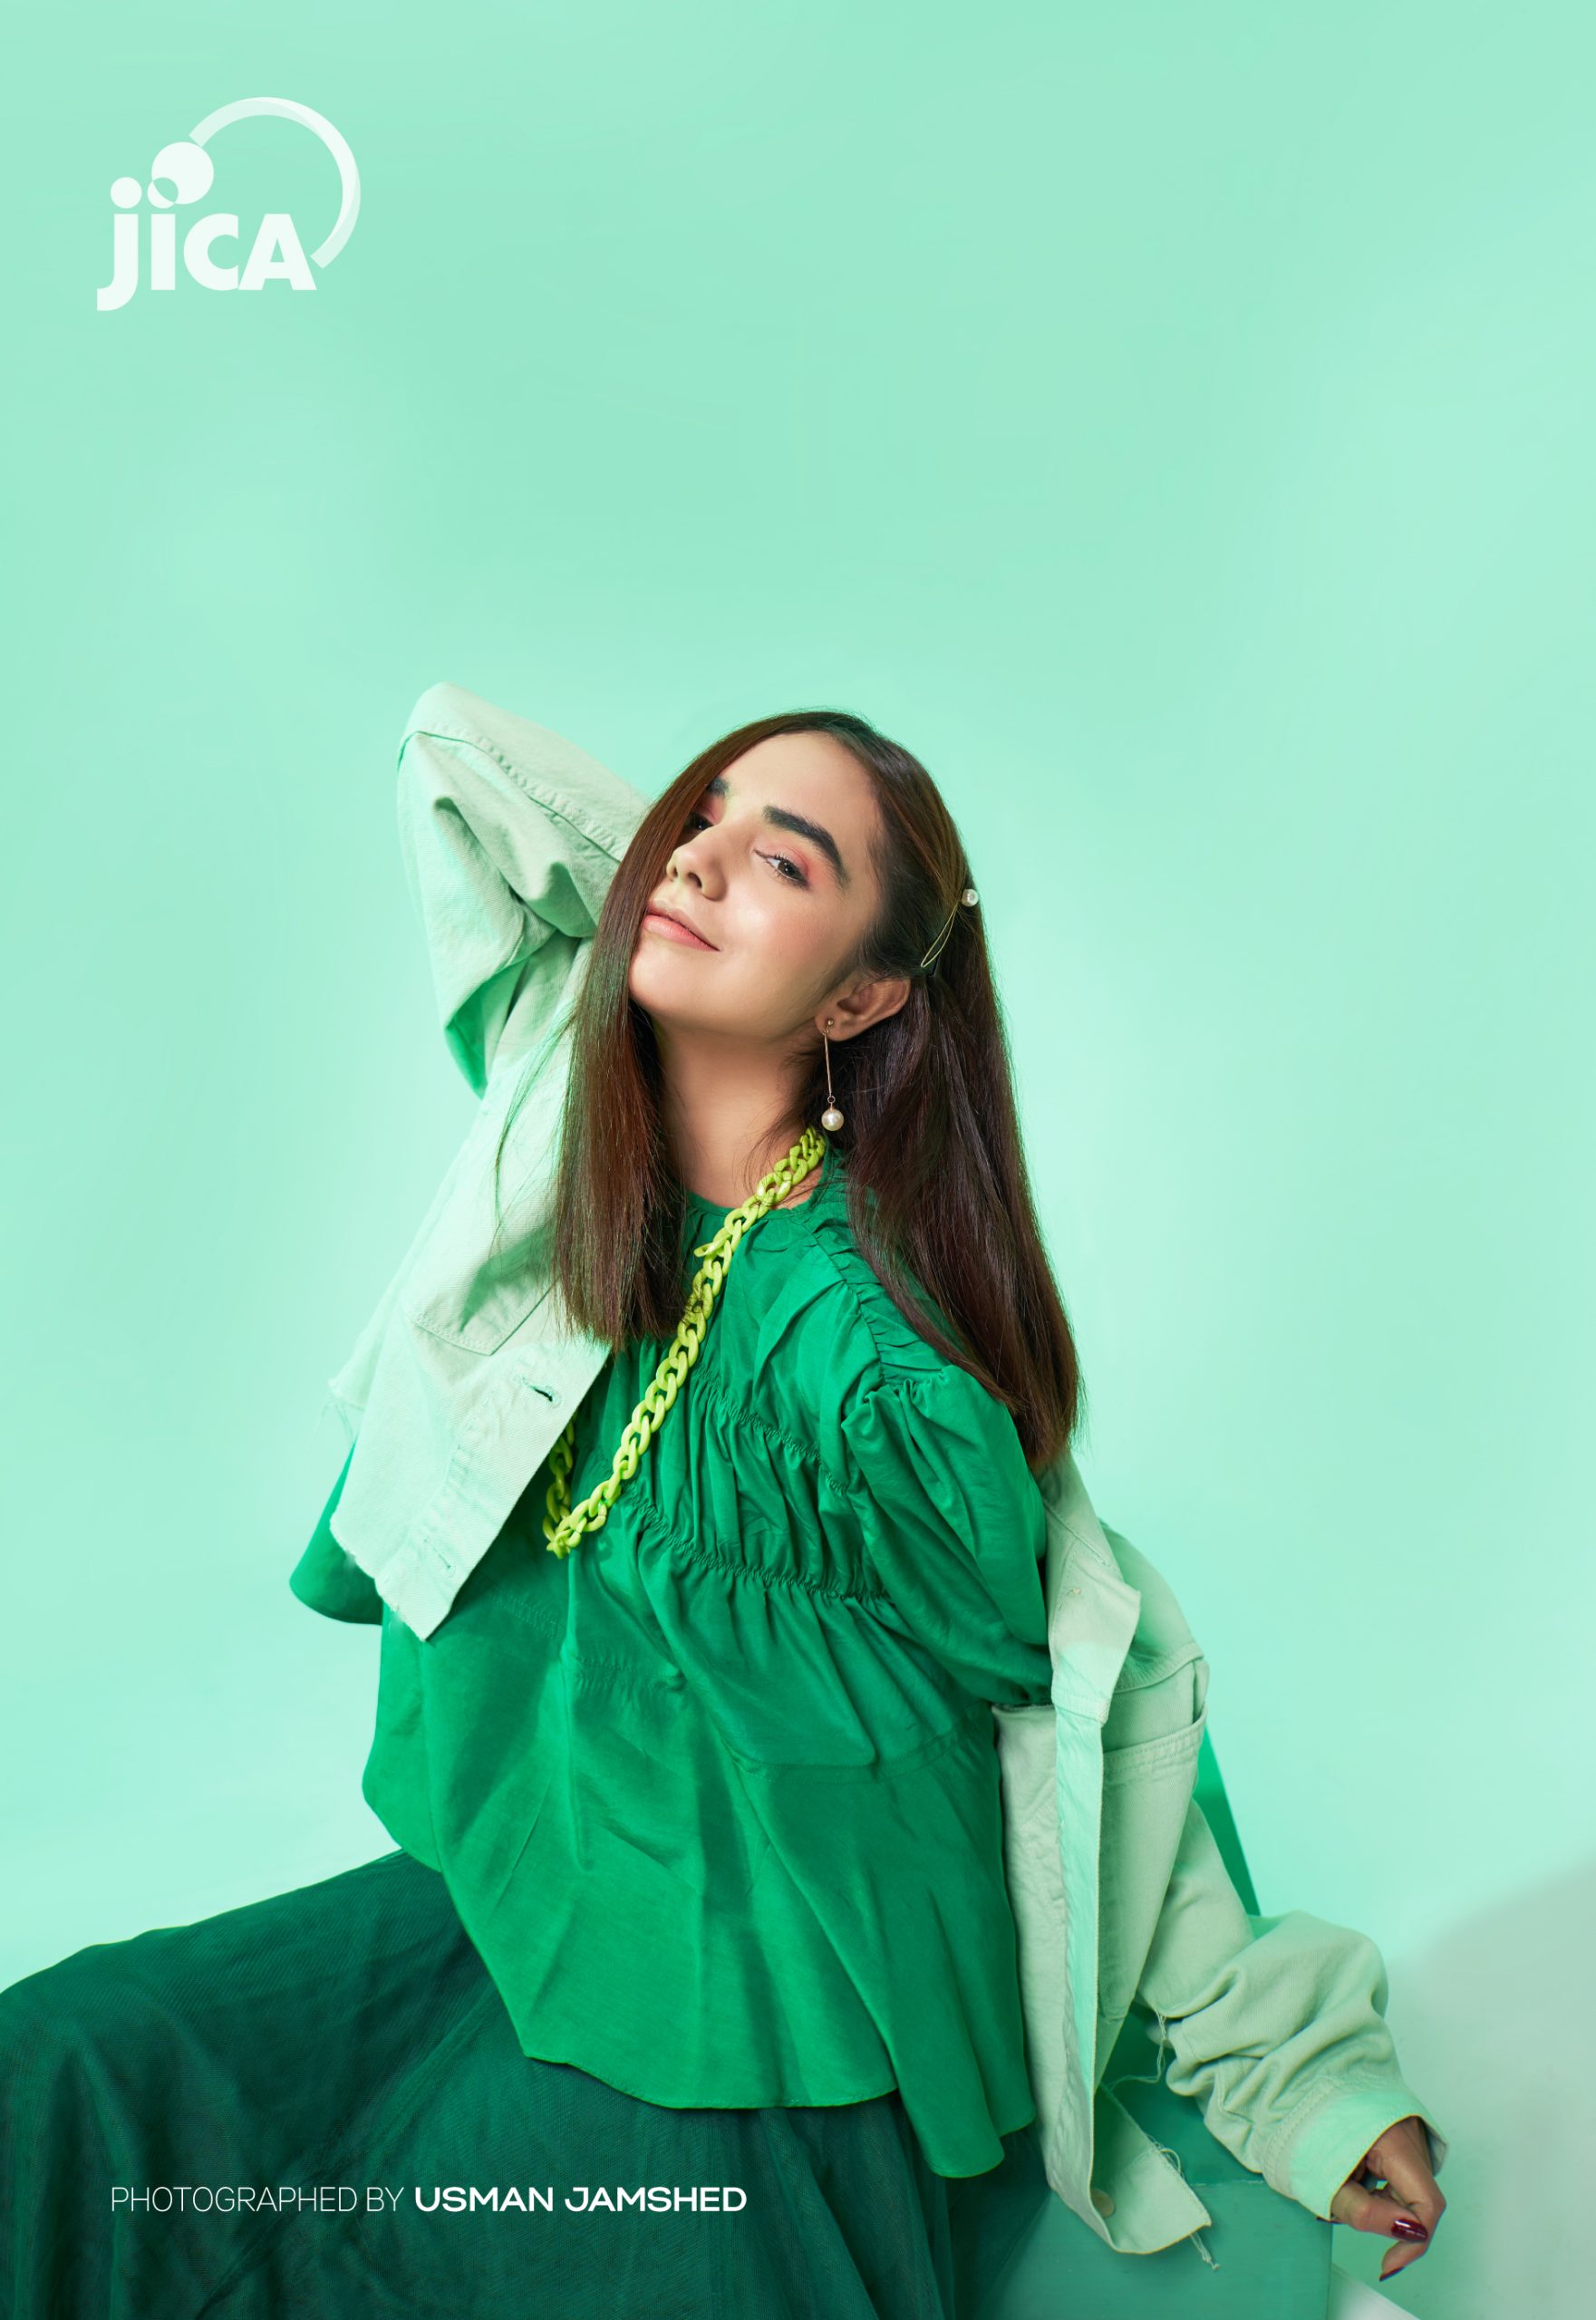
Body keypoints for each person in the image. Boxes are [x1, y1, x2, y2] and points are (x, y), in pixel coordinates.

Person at [0, 683, 1444, 2315]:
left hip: (751, 2028)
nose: (694, 862)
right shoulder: (550, 1142)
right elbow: (452, 755)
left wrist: (1299, 2077)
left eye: (786, 861)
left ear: (865, 994)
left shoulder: (871, 1361)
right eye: (697, 820)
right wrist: (703, 874)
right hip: (526, 1911)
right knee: (66, 2077)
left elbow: (1077, 1712)